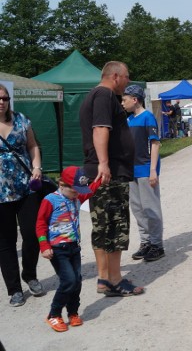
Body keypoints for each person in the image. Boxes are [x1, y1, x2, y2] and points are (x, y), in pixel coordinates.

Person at [79, 61, 144, 297]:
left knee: (102, 226)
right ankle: (115, 280)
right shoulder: (105, 95)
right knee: (116, 226)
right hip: (109, 172)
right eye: (127, 77)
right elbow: (100, 129)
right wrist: (104, 163)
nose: (128, 82)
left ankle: (105, 278)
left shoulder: (95, 95)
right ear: (115, 76)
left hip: (100, 170)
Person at [36, 166, 100, 332]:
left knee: (77, 281)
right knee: (68, 281)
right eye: (75, 191)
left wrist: (101, 177)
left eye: (80, 191)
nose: (78, 194)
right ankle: (54, 314)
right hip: (58, 249)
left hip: (74, 247)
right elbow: (40, 224)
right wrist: (44, 245)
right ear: (62, 184)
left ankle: (73, 312)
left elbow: (90, 191)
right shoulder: (50, 200)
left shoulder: (76, 197)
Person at [0, 83, 47, 306]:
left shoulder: (21, 120)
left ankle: (30, 274)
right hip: (0, 193)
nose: (1, 102)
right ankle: (14, 290)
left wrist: (37, 168)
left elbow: (33, 146)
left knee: (31, 234)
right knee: (5, 241)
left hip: (26, 186)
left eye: (4, 98)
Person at [122, 85, 165, 263]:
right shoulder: (129, 120)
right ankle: (145, 241)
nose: (122, 103)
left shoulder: (148, 117)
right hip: (131, 171)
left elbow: (154, 144)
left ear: (135, 99)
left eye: (125, 99)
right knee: (138, 209)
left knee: (151, 208)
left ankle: (157, 245)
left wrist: (153, 170)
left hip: (146, 169)